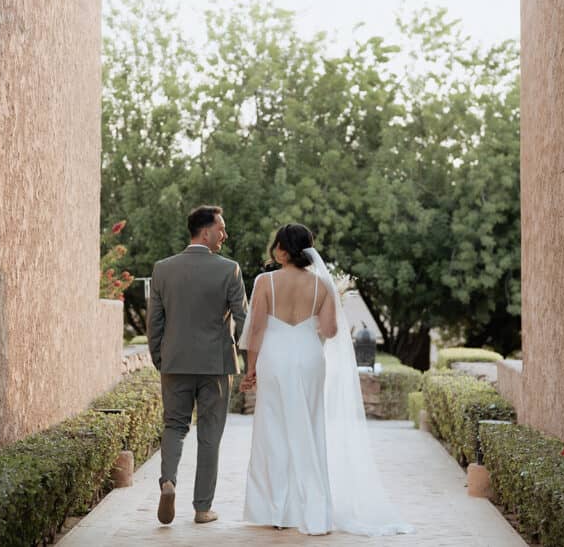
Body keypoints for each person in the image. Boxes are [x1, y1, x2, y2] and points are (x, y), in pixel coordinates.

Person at [239, 224, 412, 536]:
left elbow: (256, 330)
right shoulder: (323, 285)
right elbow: (331, 331)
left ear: (281, 250)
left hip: (275, 358)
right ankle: (313, 508)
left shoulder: (265, 281)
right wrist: (314, 321)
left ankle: (278, 509)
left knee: (273, 429)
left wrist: (250, 369)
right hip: (308, 357)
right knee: (309, 425)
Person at [147, 205, 247, 525]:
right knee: (209, 434)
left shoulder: (162, 269)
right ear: (206, 232)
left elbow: (155, 323)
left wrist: (161, 359)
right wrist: (249, 361)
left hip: (174, 362)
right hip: (216, 365)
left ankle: (167, 481)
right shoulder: (229, 269)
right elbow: (243, 319)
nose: (225, 235)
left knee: (174, 427)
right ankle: (203, 508)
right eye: (221, 229)